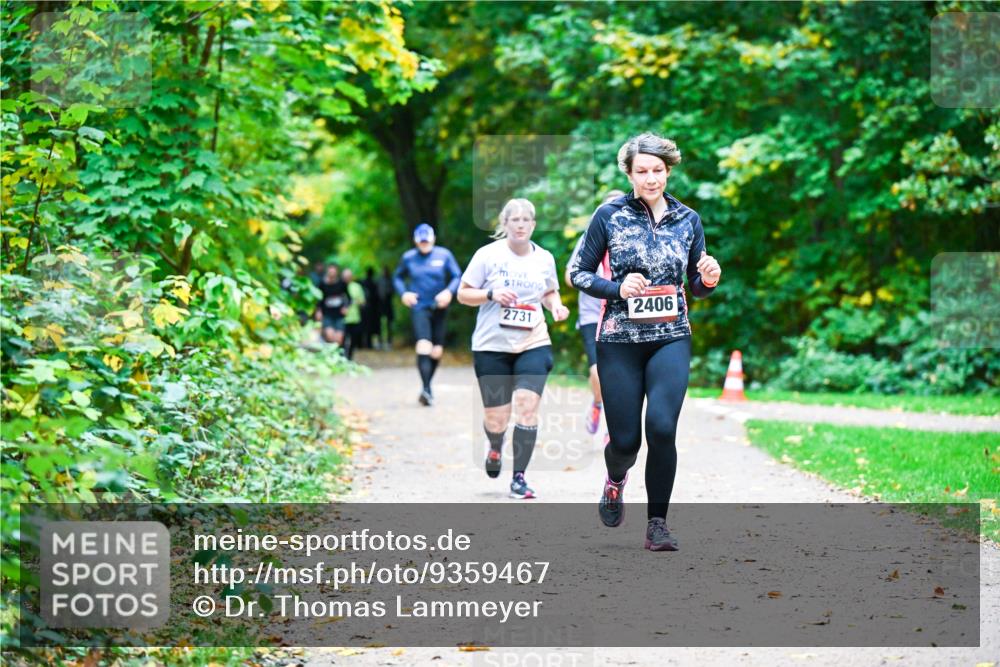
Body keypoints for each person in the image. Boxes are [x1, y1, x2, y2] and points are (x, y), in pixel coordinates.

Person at [570, 133, 722, 551]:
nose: (651, 179)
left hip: (670, 337)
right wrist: (617, 288)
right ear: (630, 173)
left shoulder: (688, 219)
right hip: (620, 340)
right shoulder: (610, 215)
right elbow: (578, 273)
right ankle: (615, 480)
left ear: (668, 171)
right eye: (643, 172)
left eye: (658, 171)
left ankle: (658, 524)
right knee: (625, 441)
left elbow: (696, 282)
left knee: (661, 427)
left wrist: (707, 280)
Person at [457, 199, 569, 500]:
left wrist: (556, 306)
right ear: (504, 224)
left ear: (533, 225)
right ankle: (495, 446)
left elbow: (549, 291)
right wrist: (491, 293)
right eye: (514, 220)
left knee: (527, 407)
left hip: (533, 342)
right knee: (497, 418)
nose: (520, 225)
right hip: (491, 346)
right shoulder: (487, 255)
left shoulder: (543, 258)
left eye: (525, 220)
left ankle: (519, 477)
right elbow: (463, 294)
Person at [564, 189, 625, 440]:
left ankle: (614, 424)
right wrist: (597, 281)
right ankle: (598, 404)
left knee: (621, 373)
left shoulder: (633, 237)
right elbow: (570, 276)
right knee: (597, 371)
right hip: (593, 314)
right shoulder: (589, 237)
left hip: (623, 314)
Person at [393, 224, 462, 405]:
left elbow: (457, 276)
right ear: (416, 241)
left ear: (433, 239)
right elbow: (397, 277)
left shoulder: (444, 255)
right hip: (419, 306)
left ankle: (427, 386)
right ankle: (426, 389)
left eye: (427, 241)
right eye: (421, 241)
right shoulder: (408, 258)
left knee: (436, 351)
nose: (424, 244)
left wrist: (448, 292)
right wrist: (404, 293)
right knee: (423, 345)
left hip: (440, 306)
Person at [315, 263, 351, 346]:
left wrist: (346, 307)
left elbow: (349, 298)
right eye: (330, 272)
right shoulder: (322, 284)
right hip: (327, 315)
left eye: (333, 272)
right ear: (327, 272)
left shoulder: (342, 284)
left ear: (336, 273)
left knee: (339, 339)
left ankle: (338, 356)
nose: (332, 274)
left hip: (339, 315)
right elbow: (318, 299)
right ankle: (330, 354)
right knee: (330, 336)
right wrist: (318, 311)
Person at [342, 268, 366, 360]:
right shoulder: (340, 286)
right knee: (342, 339)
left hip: (355, 317)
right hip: (343, 318)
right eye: (345, 276)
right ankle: (342, 357)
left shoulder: (357, 286)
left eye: (348, 276)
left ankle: (349, 357)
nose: (347, 278)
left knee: (353, 339)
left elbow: (363, 302)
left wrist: (357, 302)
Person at [360, 267, 380, 349]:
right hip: (371, 308)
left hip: (366, 308)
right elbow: (377, 297)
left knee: (365, 326)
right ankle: (368, 344)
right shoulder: (373, 284)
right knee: (368, 326)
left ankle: (363, 343)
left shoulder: (363, 283)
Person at [376, 266, 395, 350]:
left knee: (388, 324)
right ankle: (380, 341)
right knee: (380, 324)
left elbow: (392, 291)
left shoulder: (390, 280)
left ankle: (388, 342)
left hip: (387, 304)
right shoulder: (380, 280)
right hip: (380, 305)